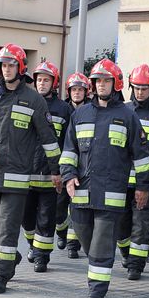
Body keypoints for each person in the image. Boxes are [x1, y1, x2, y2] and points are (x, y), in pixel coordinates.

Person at [0, 44, 61, 294]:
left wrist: (57, 172)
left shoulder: (34, 100)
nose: (6, 69)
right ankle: (8, 260)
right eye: (3, 65)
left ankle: (1, 274)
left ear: (20, 68)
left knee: (7, 229)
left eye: (11, 65)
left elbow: (49, 140)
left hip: (17, 180)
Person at [60, 58, 149, 298]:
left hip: (111, 192)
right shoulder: (80, 115)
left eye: (106, 81)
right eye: (97, 80)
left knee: (101, 242)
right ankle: (100, 265)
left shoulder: (127, 116)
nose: (101, 85)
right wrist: (68, 175)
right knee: (85, 236)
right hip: (82, 191)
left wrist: (143, 186)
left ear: (115, 83)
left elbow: (141, 156)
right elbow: (69, 150)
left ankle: (97, 288)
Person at [115, 64, 149, 281]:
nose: (140, 92)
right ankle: (126, 254)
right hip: (121, 180)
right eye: (136, 88)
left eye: (144, 89)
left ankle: (136, 265)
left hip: (146, 181)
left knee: (142, 224)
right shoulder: (124, 110)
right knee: (121, 225)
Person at [21, 61, 71, 273]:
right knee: (26, 218)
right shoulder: (25, 103)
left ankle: (42, 257)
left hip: (51, 175)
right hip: (26, 173)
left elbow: (68, 143)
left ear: (54, 83)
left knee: (46, 218)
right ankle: (32, 245)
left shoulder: (64, 109)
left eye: (46, 80)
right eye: (39, 80)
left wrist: (61, 171)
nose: (42, 83)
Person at [59, 72, 91, 259]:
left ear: (86, 92)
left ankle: (72, 243)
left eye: (80, 89)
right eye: (74, 89)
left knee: (75, 204)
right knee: (60, 205)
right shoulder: (63, 110)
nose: (77, 93)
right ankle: (61, 230)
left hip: (82, 165)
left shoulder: (90, 111)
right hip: (63, 163)